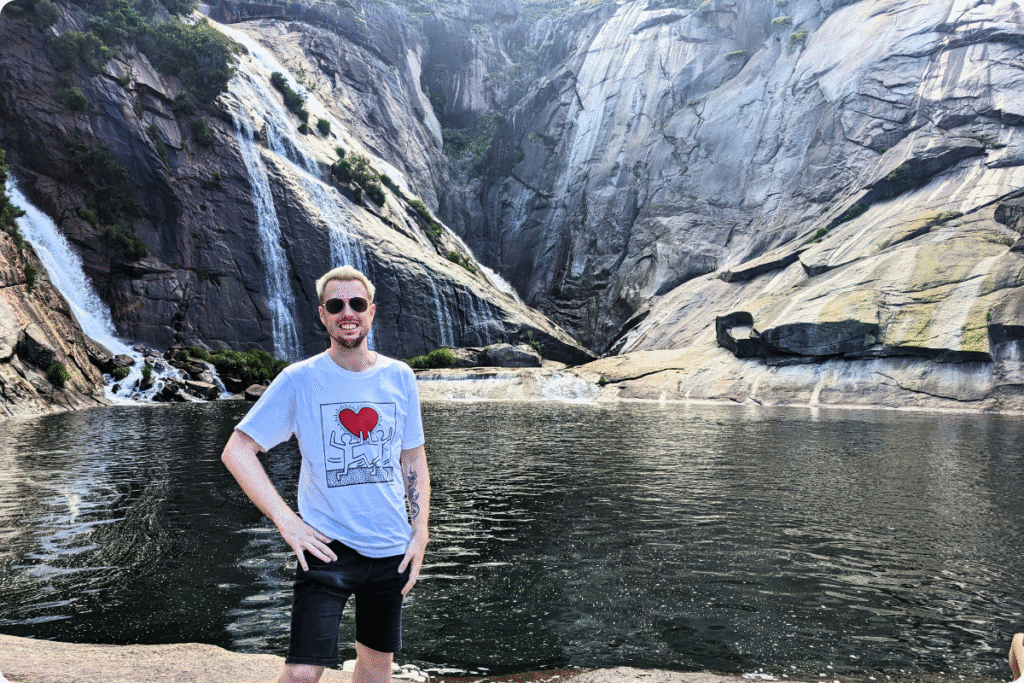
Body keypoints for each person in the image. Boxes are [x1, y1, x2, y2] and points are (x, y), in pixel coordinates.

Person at [221, 265, 430, 683]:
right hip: (326, 549)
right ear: (322, 315)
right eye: (336, 305)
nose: (346, 312)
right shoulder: (300, 379)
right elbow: (238, 450)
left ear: (372, 311)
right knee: (302, 672)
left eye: (356, 303)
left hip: (391, 547)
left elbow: (413, 459)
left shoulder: (399, 376)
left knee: (375, 666)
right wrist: (288, 523)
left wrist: (420, 532)